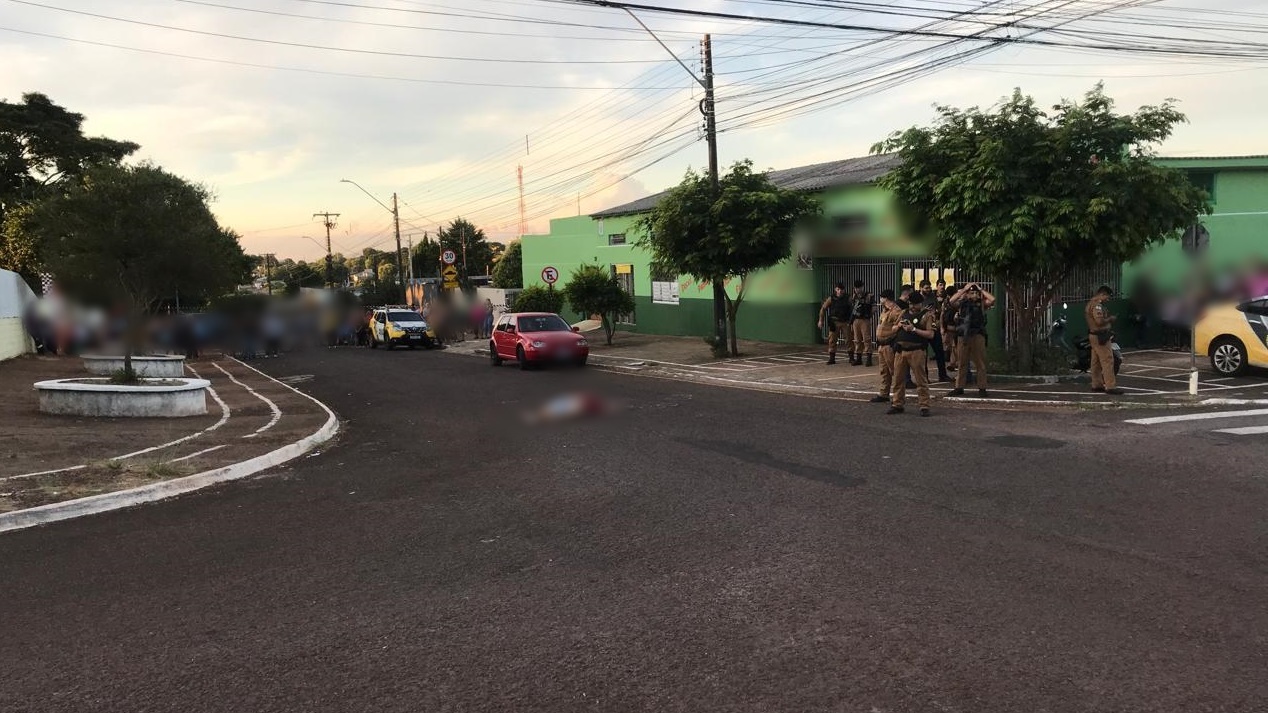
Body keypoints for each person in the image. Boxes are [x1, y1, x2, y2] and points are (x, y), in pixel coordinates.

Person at [889, 292, 936, 416]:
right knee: (898, 379)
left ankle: (924, 405)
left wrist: (914, 329)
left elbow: (930, 334)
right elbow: (893, 328)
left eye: (914, 304)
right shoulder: (903, 313)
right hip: (901, 350)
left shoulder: (926, 315)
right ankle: (897, 404)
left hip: (917, 350)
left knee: (920, 380)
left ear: (920, 304)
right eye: (910, 303)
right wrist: (899, 325)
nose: (912, 306)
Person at [947, 283, 994, 397]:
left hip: (977, 334)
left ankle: (982, 387)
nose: (974, 295)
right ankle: (959, 387)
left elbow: (992, 300)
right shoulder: (962, 304)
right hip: (963, 335)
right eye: (971, 293)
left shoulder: (981, 304)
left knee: (980, 363)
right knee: (962, 362)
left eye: (976, 293)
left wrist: (980, 289)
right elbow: (951, 301)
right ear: (967, 295)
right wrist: (964, 290)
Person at [1086, 285, 1124, 395]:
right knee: (1107, 360)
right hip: (1100, 336)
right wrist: (1110, 319)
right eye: (1107, 296)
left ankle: (1097, 384)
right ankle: (1110, 386)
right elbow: (1099, 321)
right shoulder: (1097, 306)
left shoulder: (1090, 304)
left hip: (1094, 335)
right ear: (1102, 294)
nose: (1108, 299)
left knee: (1096, 361)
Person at [869, 289, 902, 404]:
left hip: (889, 345)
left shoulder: (896, 311)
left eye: (882, 297)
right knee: (884, 371)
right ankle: (884, 394)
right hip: (882, 345)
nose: (880, 300)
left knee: (895, 372)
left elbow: (899, 327)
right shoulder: (885, 311)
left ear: (886, 298)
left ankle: (898, 397)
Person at [921, 279, 951, 382]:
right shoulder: (919, 299)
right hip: (922, 330)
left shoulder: (933, 298)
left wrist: (940, 324)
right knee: (923, 354)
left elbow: (939, 311)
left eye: (929, 287)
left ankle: (942, 375)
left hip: (934, 328)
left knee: (940, 352)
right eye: (926, 288)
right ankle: (925, 377)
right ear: (921, 288)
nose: (928, 289)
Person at [816, 282, 852, 365]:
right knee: (832, 340)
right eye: (838, 289)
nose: (840, 291)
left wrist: (851, 321)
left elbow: (853, 309)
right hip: (834, 322)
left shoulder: (848, 298)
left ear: (844, 290)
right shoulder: (831, 298)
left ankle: (851, 358)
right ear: (835, 289)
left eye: (841, 289)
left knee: (849, 340)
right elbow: (823, 309)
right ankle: (832, 358)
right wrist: (821, 320)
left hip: (845, 322)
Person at [849, 280, 874, 366]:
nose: (857, 289)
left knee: (866, 339)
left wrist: (869, 315)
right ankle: (858, 358)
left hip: (864, 319)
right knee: (857, 339)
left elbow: (873, 308)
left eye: (859, 288)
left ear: (862, 287)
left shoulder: (869, 295)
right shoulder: (854, 296)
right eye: (856, 288)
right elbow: (852, 309)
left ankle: (869, 358)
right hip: (856, 319)